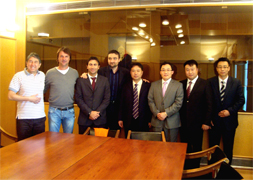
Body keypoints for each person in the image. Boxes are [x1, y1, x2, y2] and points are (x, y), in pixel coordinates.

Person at [208, 57, 245, 164]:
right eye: (220, 67)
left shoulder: (236, 82)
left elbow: (241, 100)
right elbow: (207, 101)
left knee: (228, 148)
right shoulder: (210, 82)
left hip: (230, 121)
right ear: (216, 69)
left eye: (225, 67)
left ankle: (227, 172)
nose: (222, 69)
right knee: (213, 148)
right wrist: (209, 117)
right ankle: (212, 170)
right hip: (214, 121)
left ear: (229, 68)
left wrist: (229, 111)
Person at [179, 60, 212, 169]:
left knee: (197, 147)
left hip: (198, 123)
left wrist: (206, 122)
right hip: (183, 122)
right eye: (187, 70)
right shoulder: (181, 84)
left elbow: (209, 104)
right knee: (184, 146)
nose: (190, 72)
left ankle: (196, 169)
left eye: (192, 69)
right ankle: (185, 168)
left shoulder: (205, 83)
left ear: (197, 70)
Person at [8, 52, 46, 141]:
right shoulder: (18, 76)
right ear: (26, 63)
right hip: (24, 119)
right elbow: (10, 95)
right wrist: (29, 98)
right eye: (30, 61)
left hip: (39, 118)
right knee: (23, 148)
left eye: (36, 62)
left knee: (39, 149)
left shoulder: (42, 75)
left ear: (39, 64)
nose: (33, 64)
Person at [44, 47, 79, 133]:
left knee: (68, 140)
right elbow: (42, 90)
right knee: (53, 139)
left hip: (69, 111)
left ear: (69, 58)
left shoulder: (75, 73)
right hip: (54, 111)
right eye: (61, 56)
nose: (64, 59)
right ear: (57, 58)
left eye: (66, 56)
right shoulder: (50, 73)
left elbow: (79, 90)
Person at [148, 62, 183, 142]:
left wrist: (166, 113)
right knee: (156, 146)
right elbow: (150, 100)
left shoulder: (178, 85)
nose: (165, 72)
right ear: (160, 72)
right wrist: (157, 113)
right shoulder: (153, 84)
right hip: (156, 121)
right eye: (163, 70)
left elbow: (178, 103)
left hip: (172, 122)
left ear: (172, 72)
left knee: (171, 147)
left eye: (168, 70)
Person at [75, 57, 110, 134]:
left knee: (101, 144)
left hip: (100, 119)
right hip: (84, 119)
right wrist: (89, 112)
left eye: (95, 64)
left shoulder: (104, 80)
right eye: (90, 64)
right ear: (87, 66)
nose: (92, 66)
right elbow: (78, 98)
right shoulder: (80, 81)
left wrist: (97, 113)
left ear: (98, 67)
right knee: (83, 144)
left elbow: (107, 99)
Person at [118, 62, 151, 136]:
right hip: (128, 119)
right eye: (133, 71)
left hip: (144, 120)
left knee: (143, 144)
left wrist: (150, 120)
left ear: (142, 72)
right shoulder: (125, 86)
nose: (135, 73)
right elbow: (121, 103)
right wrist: (120, 118)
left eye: (138, 71)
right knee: (129, 141)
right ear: (130, 72)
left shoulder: (148, 86)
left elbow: (150, 104)